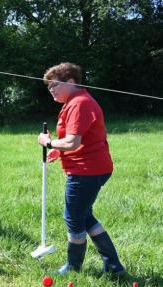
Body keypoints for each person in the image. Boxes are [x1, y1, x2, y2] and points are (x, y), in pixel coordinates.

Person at [37, 62, 125, 276]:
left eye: (54, 85)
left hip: (87, 170)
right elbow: (78, 140)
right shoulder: (74, 102)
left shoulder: (79, 103)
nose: (51, 90)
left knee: (73, 217)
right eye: (48, 87)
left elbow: (72, 142)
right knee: (84, 216)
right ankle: (114, 267)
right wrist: (60, 151)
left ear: (70, 82)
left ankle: (73, 268)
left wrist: (48, 143)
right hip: (91, 167)